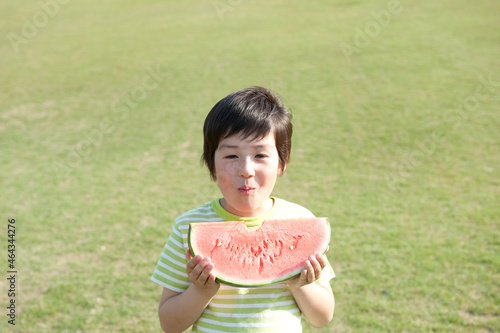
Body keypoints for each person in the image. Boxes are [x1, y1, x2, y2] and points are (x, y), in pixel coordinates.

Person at [151, 86, 335, 333]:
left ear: (282, 162)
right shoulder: (189, 227)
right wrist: (200, 291)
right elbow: (169, 324)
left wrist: (300, 284)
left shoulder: (300, 222)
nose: (246, 169)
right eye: (231, 156)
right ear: (211, 164)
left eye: (260, 155)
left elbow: (323, 316)